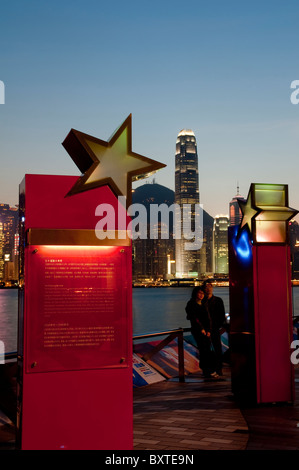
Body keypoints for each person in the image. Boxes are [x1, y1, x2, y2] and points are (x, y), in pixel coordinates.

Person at [185, 286, 219, 378]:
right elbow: (194, 318)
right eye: (199, 293)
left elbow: (208, 318)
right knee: (203, 350)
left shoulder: (204, 303)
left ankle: (210, 369)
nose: (201, 295)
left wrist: (208, 330)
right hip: (197, 330)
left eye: (203, 293)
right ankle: (206, 370)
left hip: (206, 331)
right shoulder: (191, 304)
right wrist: (201, 328)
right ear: (195, 293)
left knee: (207, 349)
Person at [203, 282, 226, 376]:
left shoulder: (218, 300)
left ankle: (219, 368)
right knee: (206, 350)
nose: (208, 289)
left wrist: (219, 326)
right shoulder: (202, 301)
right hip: (205, 330)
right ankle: (208, 370)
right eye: (206, 287)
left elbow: (222, 314)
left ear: (212, 288)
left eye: (209, 287)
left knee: (218, 349)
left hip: (215, 328)